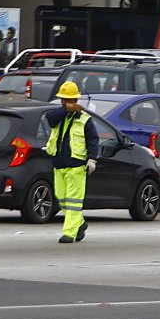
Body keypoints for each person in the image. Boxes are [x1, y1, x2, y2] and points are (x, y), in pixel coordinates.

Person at [46, 82, 100, 243]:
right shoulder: (58, 116)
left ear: (75, 100)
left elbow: (93, 140)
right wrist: (65, 109)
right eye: (63, 100)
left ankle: (69, 233)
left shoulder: (84, 119)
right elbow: (49, 119)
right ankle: (80, 223)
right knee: (61, 198)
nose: (64, 102)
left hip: (76, 165)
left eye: (68, 100)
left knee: (74, 202)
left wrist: (92, 159)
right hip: (59, 164)